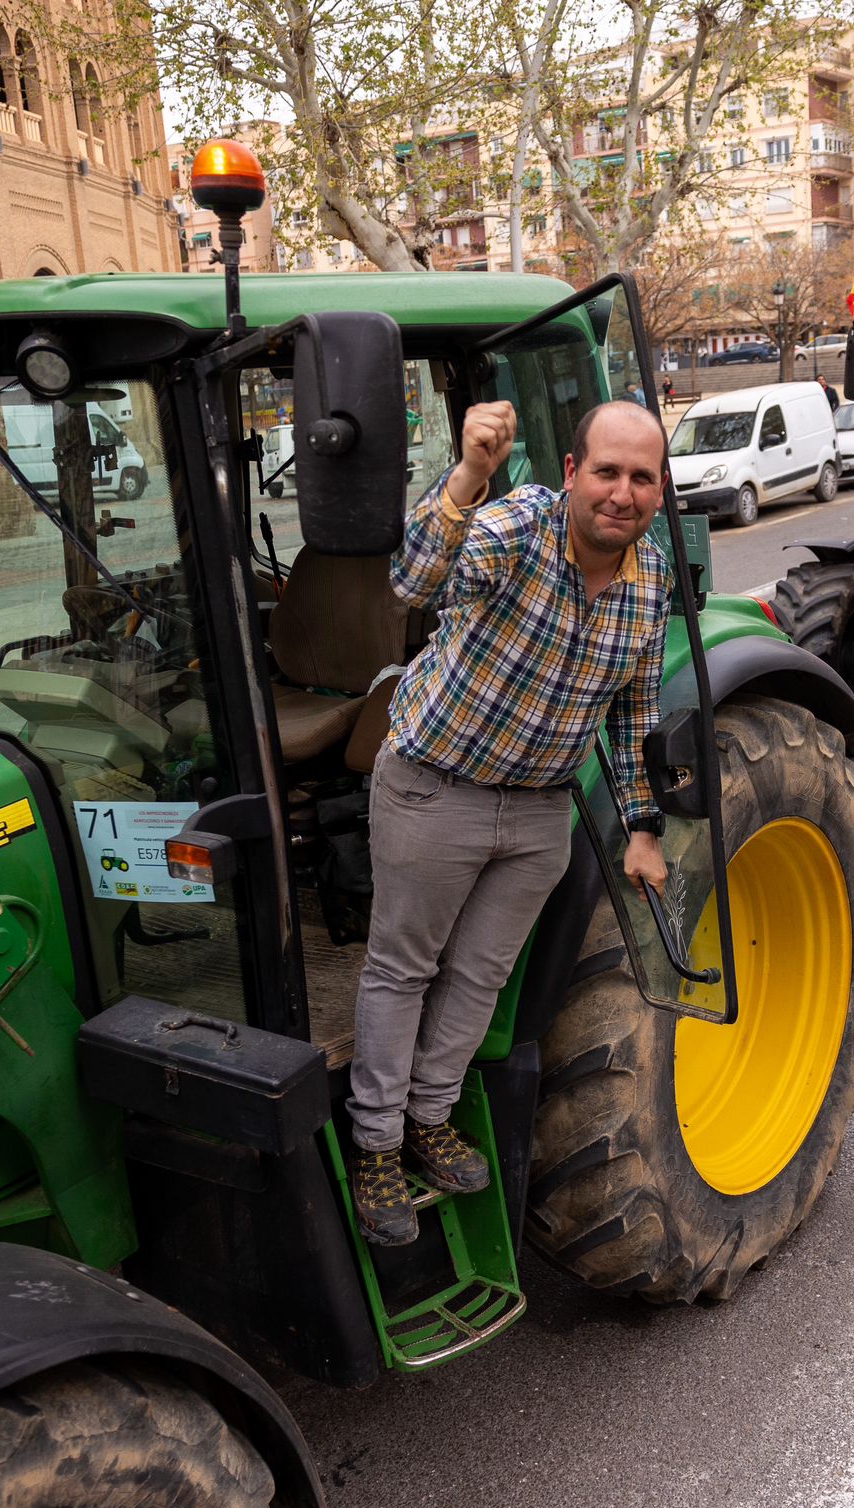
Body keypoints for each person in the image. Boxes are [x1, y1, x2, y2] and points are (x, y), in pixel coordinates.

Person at [347, 397, 673, 1247]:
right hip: (435, 786)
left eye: (642, 477)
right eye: (606, 471)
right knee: (402, 969)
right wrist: (468, 477)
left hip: (538, 815)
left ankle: (429, 1115)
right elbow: (414, 581)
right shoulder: (518, 527)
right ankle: (375, 1143)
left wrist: (642, 827)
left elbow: (635, 714)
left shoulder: (651, 582)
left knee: (480, 977)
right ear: (571, 473)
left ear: (661, 490)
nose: (622, 493)